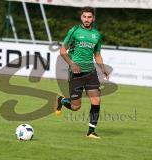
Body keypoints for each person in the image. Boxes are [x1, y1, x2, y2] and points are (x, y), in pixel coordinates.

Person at [56, 6, 110, 139]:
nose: (87, 19)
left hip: (90, 73)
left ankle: (91, 131)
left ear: (93, 18)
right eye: (84, 17)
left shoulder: (97, 35)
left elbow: (97, 54)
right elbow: (63, 51)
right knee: (75, 107)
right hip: (76, 74)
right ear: (81, 17)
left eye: (89, 17)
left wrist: (103, 68)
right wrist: (72, 64)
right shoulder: (74, 31)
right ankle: (62, 100)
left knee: (96, 100)